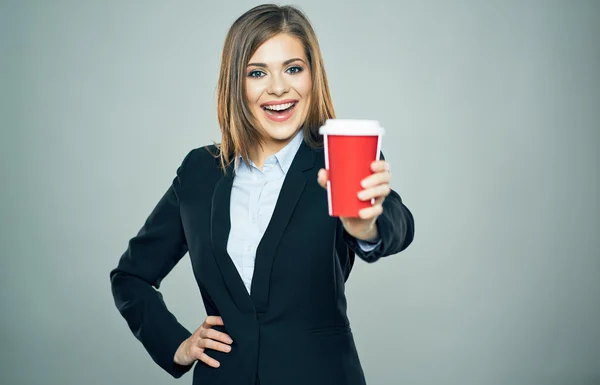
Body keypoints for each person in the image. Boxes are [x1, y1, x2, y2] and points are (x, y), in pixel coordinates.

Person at [110, 4, 414, 385]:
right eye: (257, 73)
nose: (278, 87)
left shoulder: (338, 158)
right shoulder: (200, 172)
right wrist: (176, 344)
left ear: (312, 76)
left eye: (293, 68)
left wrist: (366, 225)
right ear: (236, 83)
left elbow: (397, 224)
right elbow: (131, 275)